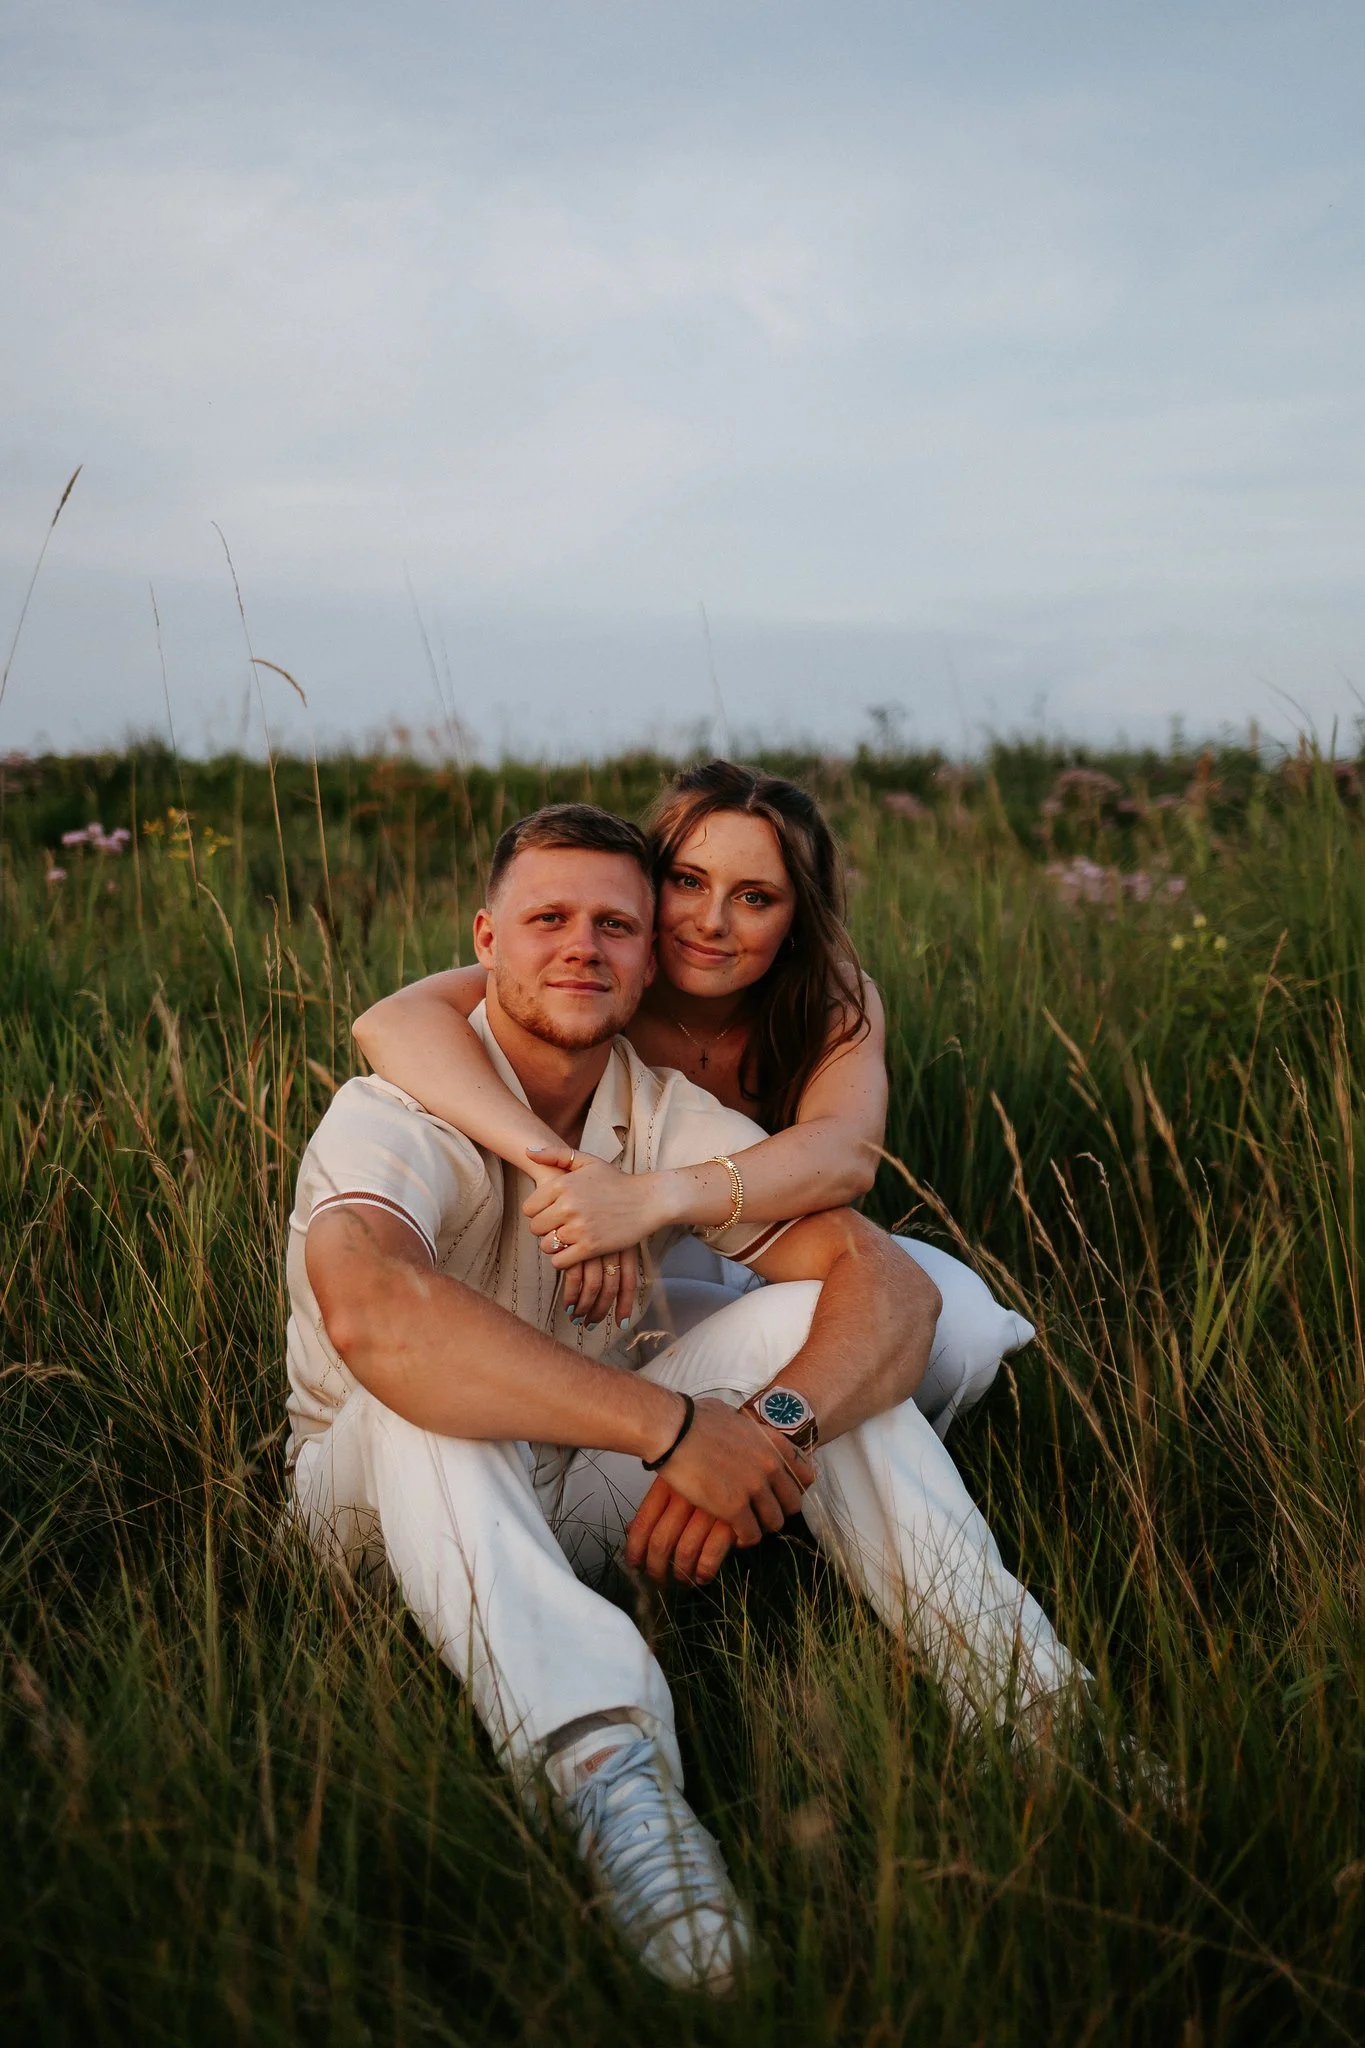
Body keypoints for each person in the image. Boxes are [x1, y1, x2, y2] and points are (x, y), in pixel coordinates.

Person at [290, 804, 1083, 1994]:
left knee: (799, 1323)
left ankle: (1037, 1712)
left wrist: (767, 1430)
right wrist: (671, 1429)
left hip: (581, 1480)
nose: (582, 946)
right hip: (378, 1511)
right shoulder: (397, 1107)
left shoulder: (663, 1111)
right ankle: (611, 1776)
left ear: (650, 956)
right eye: (549, 919)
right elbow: (375, 1316)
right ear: (485, 939)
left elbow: (890, 1286)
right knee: (420, 1395)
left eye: (615, 923)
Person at [353, 759, 1034, 1443]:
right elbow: (389, 1025)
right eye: (687, 882)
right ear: (649, 883)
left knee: (965, 1336)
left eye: (754, 898)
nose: (711, 922)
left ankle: (800, 1465)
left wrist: (655, 1196)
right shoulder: (597, 972)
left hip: (784, 1235)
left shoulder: (830, 1000)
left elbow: (845, 1156)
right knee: (690, 1333)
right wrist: (571, 1174)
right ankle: (683, 1458)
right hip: (631, 1258)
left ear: (796, 917)